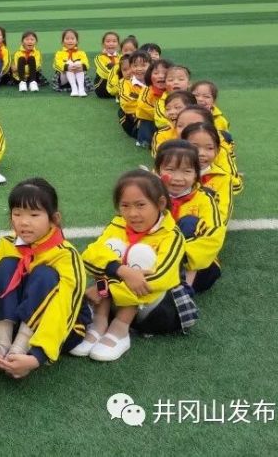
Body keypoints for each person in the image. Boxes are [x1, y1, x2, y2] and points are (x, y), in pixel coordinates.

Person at [75, 170, 194, 362]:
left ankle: (120, 328)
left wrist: (106, 289)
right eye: (125, 206)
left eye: (140, 205)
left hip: (157, 310)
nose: (132, 214)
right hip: (117, 300)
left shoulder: (172, 235)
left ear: (160, 204)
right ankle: (100, 321)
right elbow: (88, 257)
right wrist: (121, 270)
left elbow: (158, 279)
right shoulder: (117, 225)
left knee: (141, 254)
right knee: (111, 249)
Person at [0, 178, 90, 378]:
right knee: (7, 265)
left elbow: (63, 308)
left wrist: (37, 356)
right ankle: (3, 344)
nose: (24, 222)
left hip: (61, 329)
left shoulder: (65, 255)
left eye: (34, 214)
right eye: (17, 213)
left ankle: (19, 349)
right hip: (14, 324)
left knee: (44, 274)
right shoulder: (7, 245)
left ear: (54, 218)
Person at [153, 140, 224, 293]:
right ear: (157, 171)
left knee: (189, 223)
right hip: (157, 259)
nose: (178, 178)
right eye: (170, 170)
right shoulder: (149, 196)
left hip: (196, 267)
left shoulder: (205, 198)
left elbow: (215, 234)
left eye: (187, 171)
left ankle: (184, 291)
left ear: (196, 174)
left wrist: (179, 256)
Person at [182, 122, 234, 222]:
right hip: (168, 229)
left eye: (209, 148)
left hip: (201, 227)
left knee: (189, 223)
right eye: (195, 147)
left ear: (217, 151)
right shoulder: (170, 172)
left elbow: (223, 214)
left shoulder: (222, 178)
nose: (201, 153)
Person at [135, 59, 171, 149]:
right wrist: (171, 120)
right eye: (156, 73)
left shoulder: (174, 91)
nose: (161, 76)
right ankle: (143, 140)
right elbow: (144, 108)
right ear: (150, 76)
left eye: (165, 73)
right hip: (152, 122)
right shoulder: (147, 91)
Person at [117, 51, 150, 139]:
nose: (139, 69)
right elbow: (127, 103)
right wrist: (149, 109)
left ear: (151, 66)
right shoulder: (125, 83)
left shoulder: (154, 81)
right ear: (131, 66)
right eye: (135, 66)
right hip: (135, 119)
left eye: (143, 65)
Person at [52, 28, 90, 97]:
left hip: (78, 76)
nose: (70, 41)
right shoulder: (59, 53)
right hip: (64, 78)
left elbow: (86, 64)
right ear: (63, 42)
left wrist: (81, 66)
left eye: (72, 39)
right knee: (69, 62)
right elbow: (56, 65)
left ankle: (81, 89)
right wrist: (67, 67)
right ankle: (74, 89)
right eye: (67, 39)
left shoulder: (81, 52)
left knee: (78, 63)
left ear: (77, 41)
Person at [93, 31, 120, 99]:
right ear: (103, 44)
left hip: (117, 85)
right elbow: (104, 73)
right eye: (108, 41)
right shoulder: (99, 58)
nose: (111, 44)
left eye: (114, 41)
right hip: (102, 88)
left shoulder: (121, 57)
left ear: (118, 44)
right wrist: (119, 73)